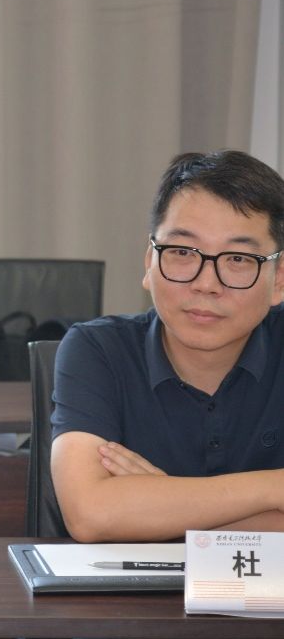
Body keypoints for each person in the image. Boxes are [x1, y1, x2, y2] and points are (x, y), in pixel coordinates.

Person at [51, 149, 284, 541]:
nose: (206, 284)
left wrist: (160, 501)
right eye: (181, 252)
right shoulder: (97, 349)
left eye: (238, 259)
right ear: (149, 263)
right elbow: (90, 514)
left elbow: (113, 513)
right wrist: (273, 487)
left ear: (278, 280)